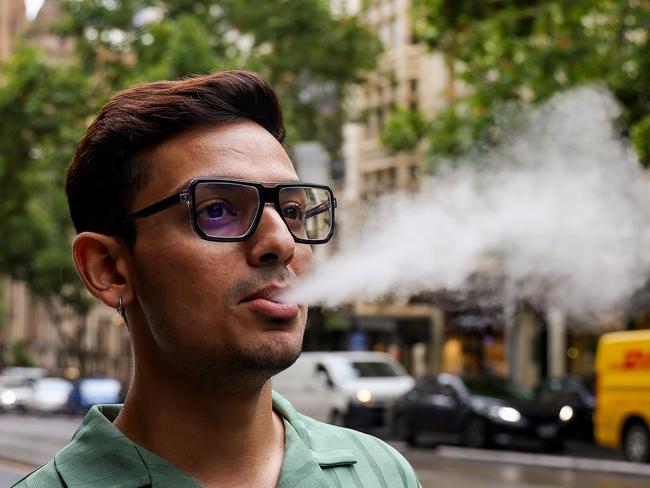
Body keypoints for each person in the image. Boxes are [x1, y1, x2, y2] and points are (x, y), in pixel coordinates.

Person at [14, 71, 422, 488]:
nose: (281, 241)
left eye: (294, 211)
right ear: (109, 269)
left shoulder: (382, 474)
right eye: (217, 210)